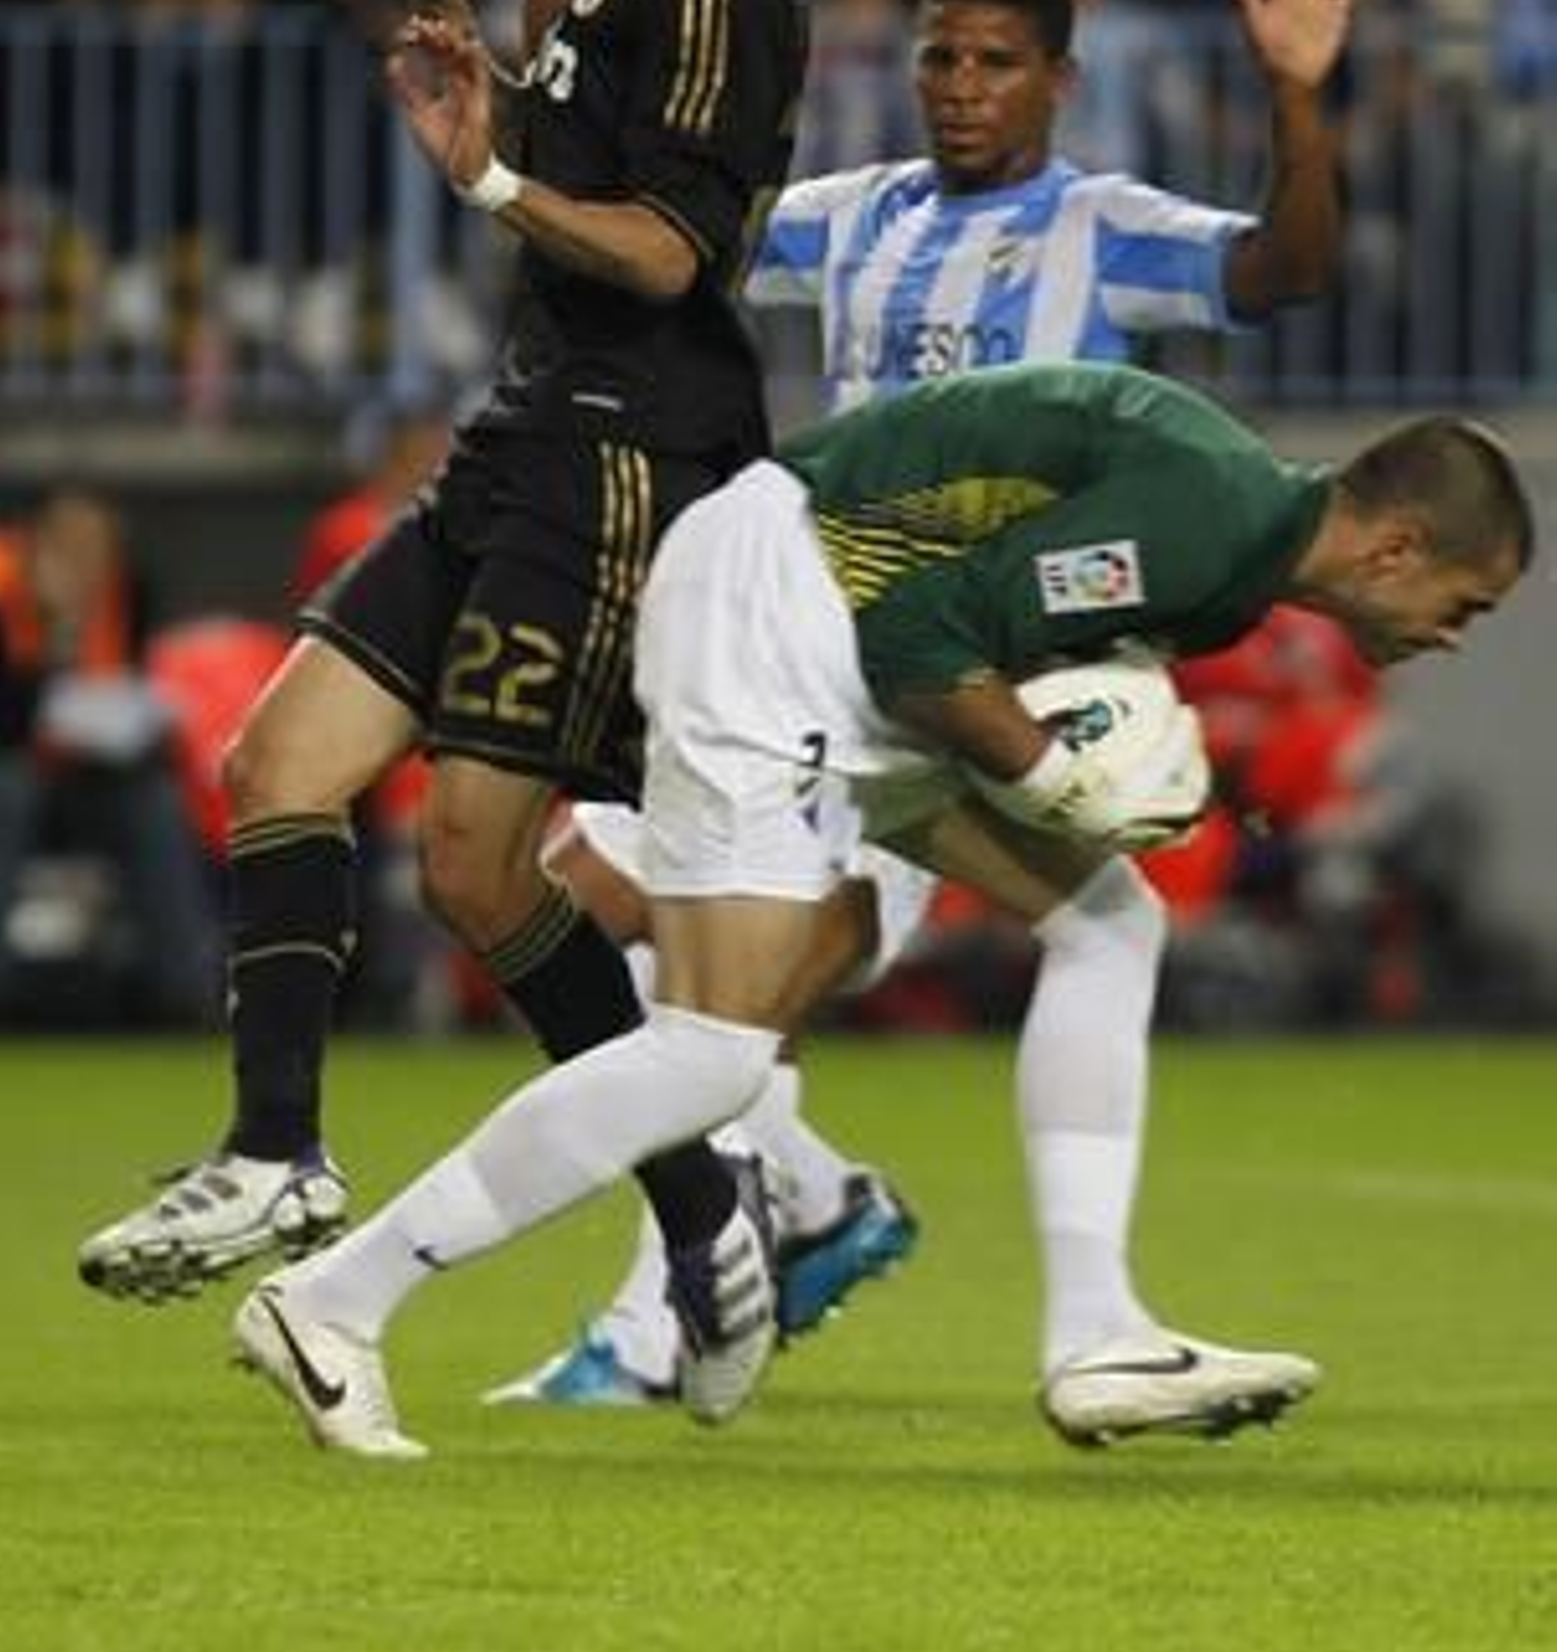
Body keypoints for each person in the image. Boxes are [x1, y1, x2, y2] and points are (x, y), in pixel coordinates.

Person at [228, 363, 1531, 1457]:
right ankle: (334, 1301)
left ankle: (1097, 1334)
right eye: (1462, 601)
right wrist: (1047, 765)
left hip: (831, 632)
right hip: (783, 615)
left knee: (1109, 921)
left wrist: (1062, 750)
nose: (1457, 632)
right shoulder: (1219, 524)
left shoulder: (1235, 532)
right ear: (1400, 545)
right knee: (715, 1052)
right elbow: (922, 636)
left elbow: (966, 620)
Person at [493, 0, 1371, 1411]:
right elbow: (658, 228)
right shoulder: (855, 214)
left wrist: (1295, 93)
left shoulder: (1113, 228)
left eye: (997, 62)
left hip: (955, 666)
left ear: (1058, 83)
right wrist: (570, 51)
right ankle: (817, 1204)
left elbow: (1287, 270)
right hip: (805, 638)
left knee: (717, 972)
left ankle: (669, 1319)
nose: (962, 85)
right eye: (940, 57)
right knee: (611, 911)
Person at [78, 0, 811, 1351]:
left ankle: (711, 1214)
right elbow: (576, 176)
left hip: (631, 451)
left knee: (478, 867)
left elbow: (671, 246)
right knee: (278, 760)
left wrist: (487, 165)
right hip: (528, 425)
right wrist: (477, 35)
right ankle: (276, 1151)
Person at [0, 489, 217, 1027]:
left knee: (157, 802)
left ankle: (183, 992)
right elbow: (1, 723)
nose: (86, 561)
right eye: (69, 545)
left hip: (83, 775)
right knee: (8, 792)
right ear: (35, 544)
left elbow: (130, 692)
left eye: (97, 547)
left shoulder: (128, 586)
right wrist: (59, 631)